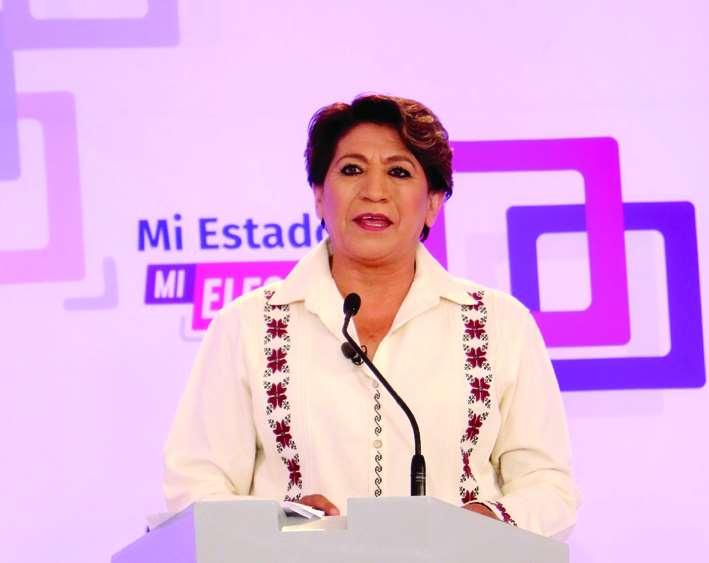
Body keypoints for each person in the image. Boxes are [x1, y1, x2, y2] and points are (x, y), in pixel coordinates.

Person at [163, 94, 580, 537]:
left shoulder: (499, 325)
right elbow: (196, 487)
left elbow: (548, 488)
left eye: (399, 172)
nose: (374, 191)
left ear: (433, 202)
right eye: (351, 170)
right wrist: (280, 521)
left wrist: (486, 520)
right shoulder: (247, 326)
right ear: (319, 195)